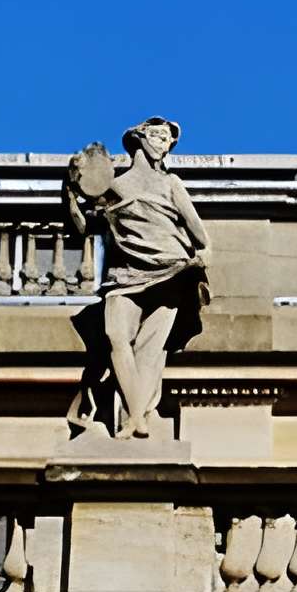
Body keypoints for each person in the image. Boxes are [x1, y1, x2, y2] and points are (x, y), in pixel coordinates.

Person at [64, 116, 209, 441]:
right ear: (139, 138)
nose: (163, 144)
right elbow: (83, 226)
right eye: (157, 136)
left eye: (167, 140)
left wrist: (202, 254)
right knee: (116, 336)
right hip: (126, 274)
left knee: (149, 349)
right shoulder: (115, 186)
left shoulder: (171, 183)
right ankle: (136, 416)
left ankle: (135, 418)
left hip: (170, 269)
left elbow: (199, 234)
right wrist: (70, 191)